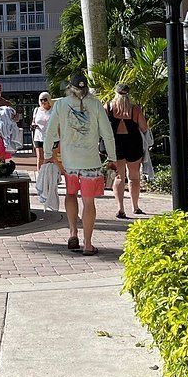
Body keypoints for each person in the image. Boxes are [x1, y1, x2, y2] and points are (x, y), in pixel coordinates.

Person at [42, 71, 116, 257]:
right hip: (91, 161)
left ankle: (73, 232)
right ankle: (88, 244)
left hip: (69, 162)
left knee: (71, 194)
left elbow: (50, 132)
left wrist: (48, 154)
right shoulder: (96, 104)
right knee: (89, 202)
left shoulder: (61, 104)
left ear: (70, 88)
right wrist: (113, 157)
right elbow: (107, 134)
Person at [107, 83, 149, 219]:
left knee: (119, 176)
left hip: (116, 145)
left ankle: (120, 208)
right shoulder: (135, 109)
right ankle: (135, 207)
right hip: (133, 143)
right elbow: (144, 127)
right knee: (134, 176)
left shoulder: (108, 107)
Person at [32, 92, 53, 169]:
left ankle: (51, 175)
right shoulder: (36, 110)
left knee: (50, 158)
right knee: (40, 158)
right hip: (38, 137)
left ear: (49, 100)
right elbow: (33, 121)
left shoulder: (53, 110)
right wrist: (33, 124)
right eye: (41, 100)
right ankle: (39, 176)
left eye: (45, 99)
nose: (43, 102)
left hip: (50, 137)